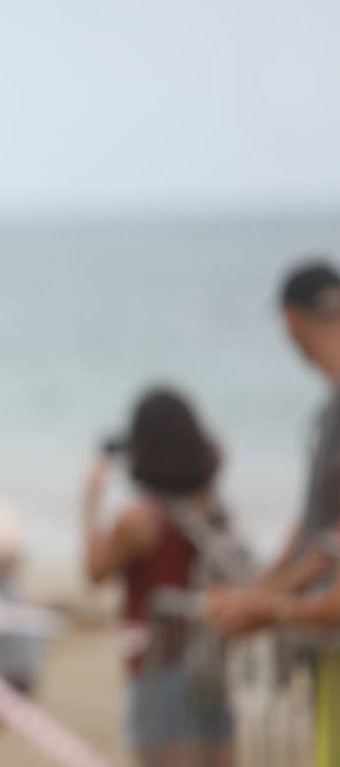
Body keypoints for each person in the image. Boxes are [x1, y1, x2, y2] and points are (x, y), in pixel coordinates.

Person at [205, 259, 340, 767]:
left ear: (290, 320)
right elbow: (321, 538)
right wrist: (256, 594)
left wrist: (264, 606)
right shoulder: (329, 411)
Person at [82, 387, 236, 767]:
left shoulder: (138, 520)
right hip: (208, 664)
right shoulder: (207, 506)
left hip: (156, 668)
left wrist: (90, 501)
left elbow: (96, 571)